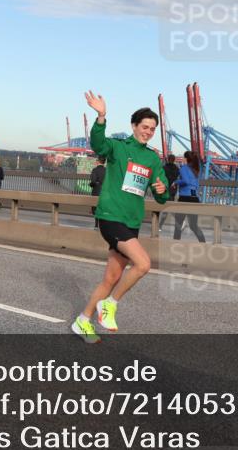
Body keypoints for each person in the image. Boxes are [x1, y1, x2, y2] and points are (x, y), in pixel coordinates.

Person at [71, 92, 169, 343]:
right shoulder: (118, 147)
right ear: (134, 126)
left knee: (111, 278)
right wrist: (101, 117)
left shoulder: (152, 158)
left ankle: (83, 320)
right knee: (143, 264)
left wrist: (162, 189)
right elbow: (98, 145)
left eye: (152, 129)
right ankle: (110, 304)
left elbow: (162, 195)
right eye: (145, 127)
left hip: (132, 221)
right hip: (110, 216)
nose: (148, 132)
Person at [173, 150, 206, 242]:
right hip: (195, 198)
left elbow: (186, 181)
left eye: (184, 157)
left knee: (178, 224)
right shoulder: (196, 170)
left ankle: (175, 244)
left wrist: (176, 182)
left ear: (186, 159)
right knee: (193, 225)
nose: (182, 159)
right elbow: (195, 184)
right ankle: (203, 242)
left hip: (185, 198)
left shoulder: (183, 168)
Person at [158, 153, 180, 230]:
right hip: (172, 191)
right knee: (168, 208)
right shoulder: (177, 169)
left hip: (164, 189)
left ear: (167, 159)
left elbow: (160, 177)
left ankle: (159, 226)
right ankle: (160, 226)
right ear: (174, 160)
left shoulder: (164, 168)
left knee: (163, 207)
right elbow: (177, 179)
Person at [89, 155, 106, 228]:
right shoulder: (107, 170)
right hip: (105, 192)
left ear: (98, 161)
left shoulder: (95, 170)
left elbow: (93, 181)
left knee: (95, 208)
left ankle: (96, 225)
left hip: (96, 191)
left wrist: (91, 184)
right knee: (102, 208)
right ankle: (103, 225)